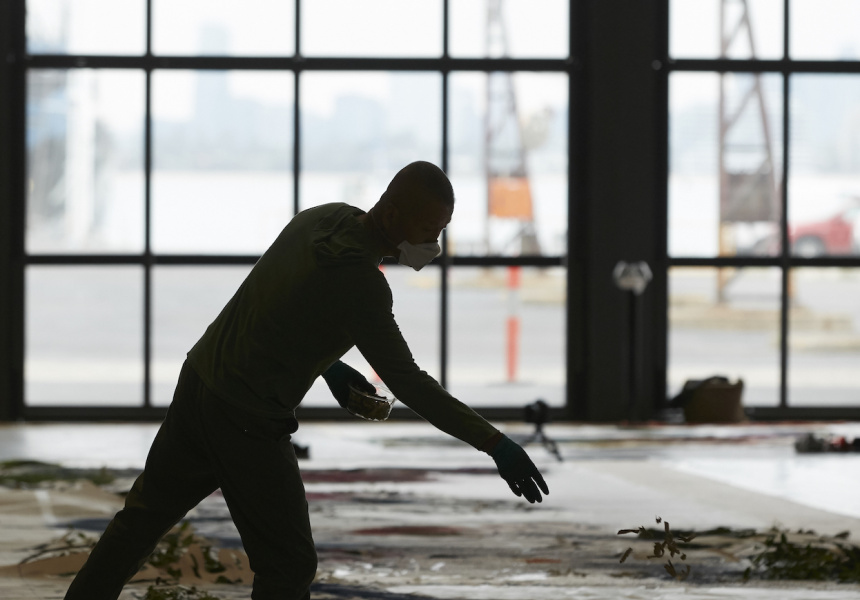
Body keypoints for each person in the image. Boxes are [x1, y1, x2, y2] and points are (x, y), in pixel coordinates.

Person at [64, 161, 549, 600]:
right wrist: (494, 442)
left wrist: (327, 365)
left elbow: (281, 305)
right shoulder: (363, 284)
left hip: (201, 381)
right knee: (289, 566)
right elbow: (409, 381)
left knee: (140, 522)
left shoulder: (322, 218)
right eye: (428, 229)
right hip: (247, 418)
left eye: (441, 230)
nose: (434, 243)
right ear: (393, 213)